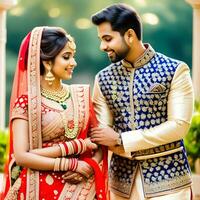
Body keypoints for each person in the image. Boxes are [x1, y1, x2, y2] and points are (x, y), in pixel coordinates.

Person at [90, 3, 194, 200]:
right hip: (121, 184)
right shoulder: (103, 78)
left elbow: (179, 126)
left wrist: (122, 140)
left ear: (130, 35)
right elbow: (102, 132)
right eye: (101, 39)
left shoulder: (174, 70)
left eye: (108, 39)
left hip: (169, 181)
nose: (102, 46)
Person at [1, 26, 108, 200]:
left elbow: (98, 143)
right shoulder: (26, 102)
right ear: (47, 62)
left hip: (82, 189)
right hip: (38, 189)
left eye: (72, 56)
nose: (73, 63)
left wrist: (90, 165)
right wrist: (72, 161)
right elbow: (21, 156)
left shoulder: (80, 95)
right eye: (66, 57)